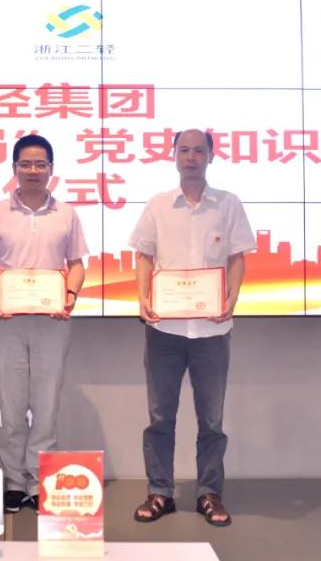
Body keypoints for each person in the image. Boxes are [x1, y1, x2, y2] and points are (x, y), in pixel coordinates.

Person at [129, 128, 255, 527]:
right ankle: (160, 492)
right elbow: (144, 256)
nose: (190, 157)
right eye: (183, 150)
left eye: (198, 151)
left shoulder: (228, 204)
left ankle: (209, 493)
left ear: (210, 156)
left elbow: (237, 258)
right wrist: (143, 297)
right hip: (164, 331)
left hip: (212, 333)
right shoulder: (158, 205)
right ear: (173, 156)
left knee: (212, 422)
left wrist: (230, 300)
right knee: (160, 418)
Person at [0, 134, 88, 513]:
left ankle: (40, 481)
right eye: (26, 164)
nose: (33, 170)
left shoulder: (67, 214)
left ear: (51, 170)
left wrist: (69, 294)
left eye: (41, 164)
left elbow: (76, 265)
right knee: (11, 406)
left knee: (46, 406)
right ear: (14, 169)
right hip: (7, 320)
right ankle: (14, 481)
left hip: (53, 321)